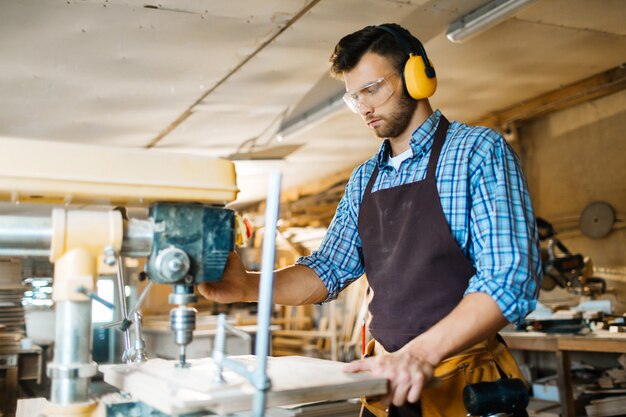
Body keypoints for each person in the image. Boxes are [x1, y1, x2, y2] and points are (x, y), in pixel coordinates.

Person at [199, 23, 541, 417]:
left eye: (372, 89)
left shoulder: (477, 152)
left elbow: (510, 278)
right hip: (387, 386)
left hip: (465, 387)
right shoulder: (365, 178)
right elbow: (327, 270)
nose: (363, 108)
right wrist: (246, 286)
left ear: (418, 76)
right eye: (353, 98)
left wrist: (419, 355)